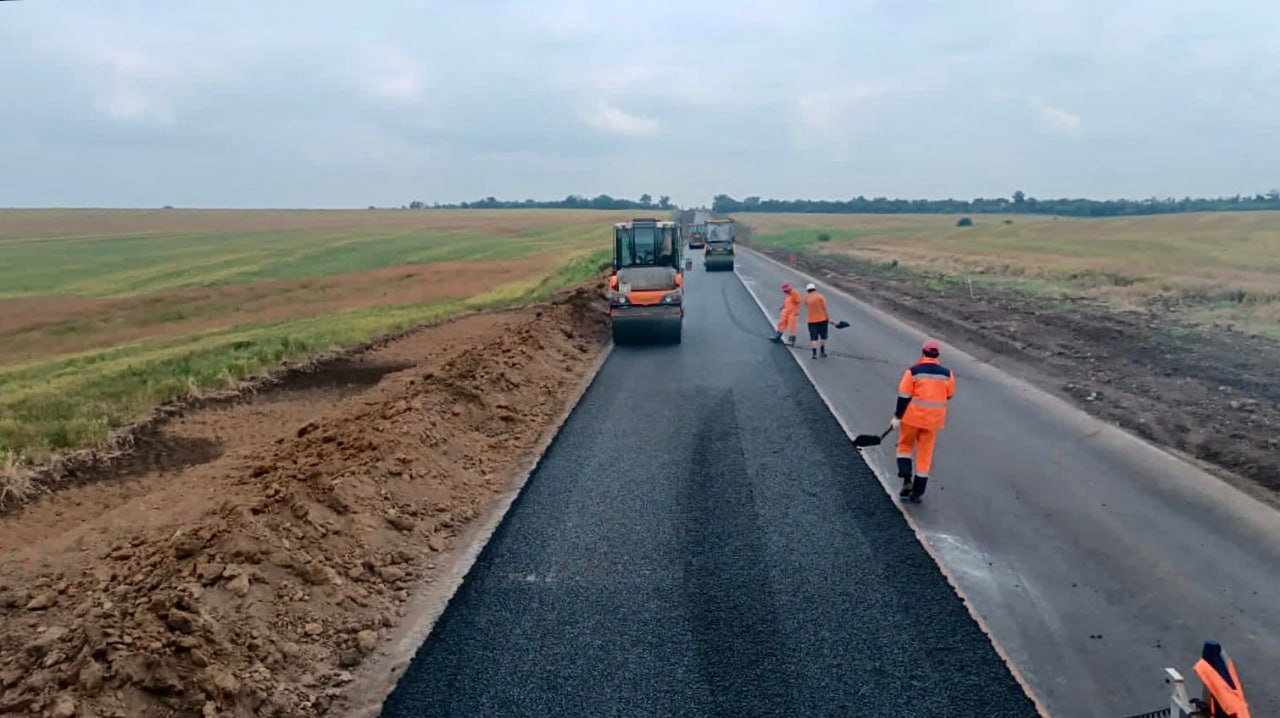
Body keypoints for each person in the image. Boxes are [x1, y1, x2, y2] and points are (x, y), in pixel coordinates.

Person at [892, 339, 956, 502]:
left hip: (912, 418)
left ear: (923, 352)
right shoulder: (947, 374)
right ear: (937, 355)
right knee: (924, 455)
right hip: (933, 422)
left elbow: (903, 396)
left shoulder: (913, 372)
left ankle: (907, 480)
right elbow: (949, 395)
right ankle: (918, 493)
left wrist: (897, 417)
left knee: (905, 446)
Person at [804, 282, 828, 358]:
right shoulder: (820, 296)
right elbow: (824, 308)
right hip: (822, 319)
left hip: (811, 321)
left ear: (807, 290)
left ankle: (814, 353)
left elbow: (806, 305)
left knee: (813, 338)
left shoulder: (806, 298)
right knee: (823, 336)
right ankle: (822, 351)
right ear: (815, 289)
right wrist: (828, 318)